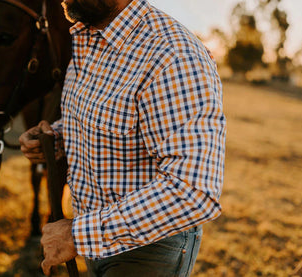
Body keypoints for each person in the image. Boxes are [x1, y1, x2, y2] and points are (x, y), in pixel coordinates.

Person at [19, 0, 226, 276]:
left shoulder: (173, 54)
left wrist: (78, 235)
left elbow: (193, 191)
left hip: (150, 250)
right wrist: (56, 139)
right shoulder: (86, 39)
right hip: (98, 240)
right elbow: (105, 118)